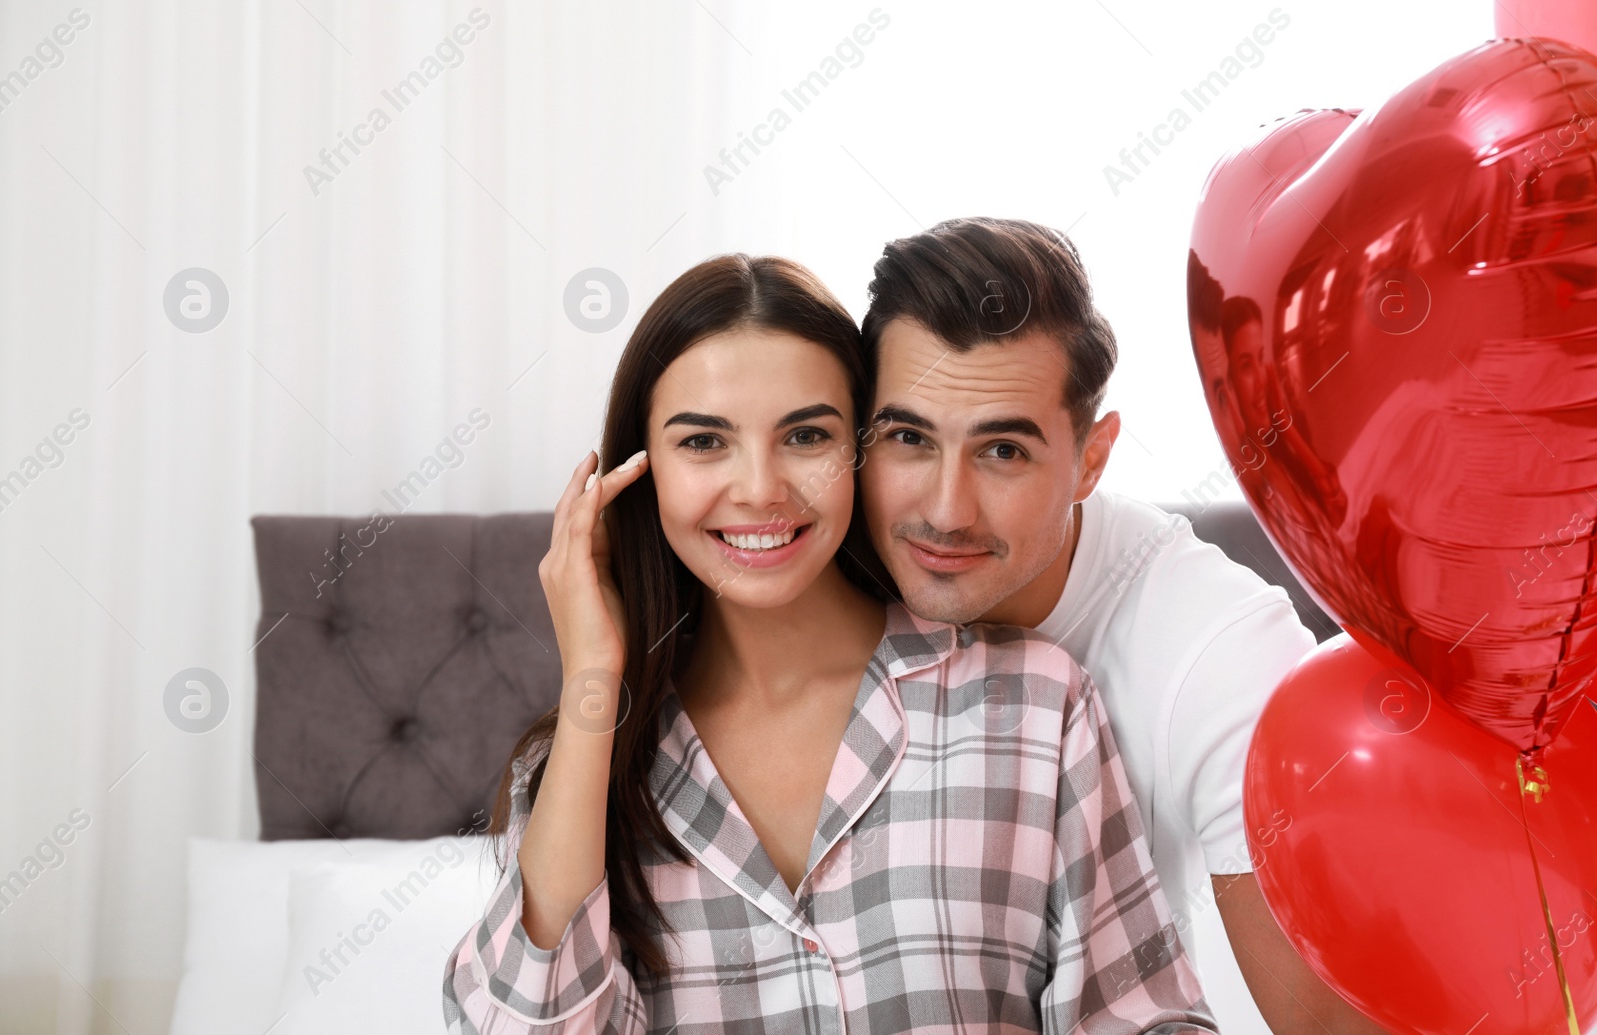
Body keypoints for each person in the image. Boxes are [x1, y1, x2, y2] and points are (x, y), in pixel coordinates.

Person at [442, 253, 1217, 1034]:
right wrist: (595, 674)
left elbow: (1142, 1015)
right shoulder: (587, 765)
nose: (759, 489)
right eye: (704, 442)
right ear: (641, 471)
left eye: (807, 435)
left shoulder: (1037, 705)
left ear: (865, 447)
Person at [857, 217, 1389, 1034]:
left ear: (1092, 458)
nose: (944, 509)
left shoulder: (1218, 650)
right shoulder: (830, 571)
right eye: (908, 438)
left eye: (1003, 451)